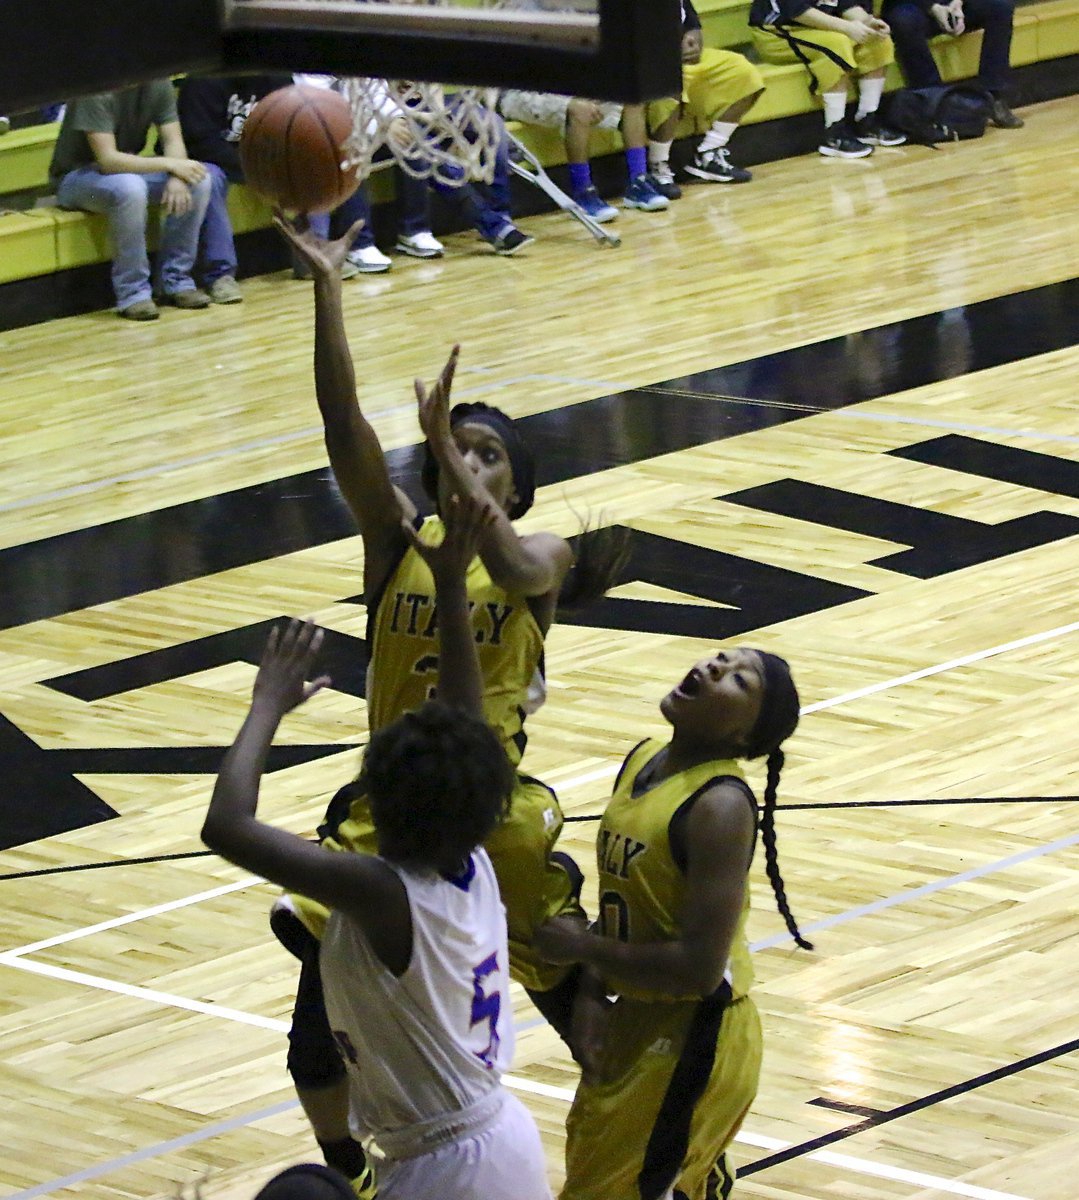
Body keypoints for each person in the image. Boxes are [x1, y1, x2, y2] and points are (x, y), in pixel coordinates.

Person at [266, 216, 625, 1191]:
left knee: (574, 999)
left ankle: (634, 1147)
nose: (468, 465)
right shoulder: (400, 551)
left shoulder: (532, 561)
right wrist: (327, 295)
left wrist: (440, 446)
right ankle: (348, 1165)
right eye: (455, 452)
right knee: (312, 1043)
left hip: (487, 813)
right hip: (387, 815)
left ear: (521, 483)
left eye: (487, 455)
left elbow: (506, 553)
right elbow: (344, 437)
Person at [202, 495, 552, 1200]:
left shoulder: (380, 891)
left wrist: (266, 704)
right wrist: (450, 587)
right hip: (498, 1141)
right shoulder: (472, 854)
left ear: (376, 803)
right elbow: (461, 715)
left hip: (448, 1169)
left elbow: (226, 826)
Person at [533, 646, 813, 1200]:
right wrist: (591, 990)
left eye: (739, 681)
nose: (715, 669)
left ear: (744, 736)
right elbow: (624, 903)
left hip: (698, 1029)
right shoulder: (643, 759)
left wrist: (585, 950)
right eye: (721, 659)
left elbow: (699, 970)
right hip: (642, 1014)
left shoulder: (720, 806)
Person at [49, 79, 237, 320]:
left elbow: (173, 141)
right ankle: (133, 294)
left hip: (124, 173)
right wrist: (171, 165)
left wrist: (178, 177)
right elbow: (108, 161)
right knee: (130, 189)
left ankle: (176, 281)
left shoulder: (159, 84)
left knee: (198, 179)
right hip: (75, 181)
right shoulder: (96, 90)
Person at [750, 0, 907, 157]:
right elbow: (797, 11)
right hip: (777, 31)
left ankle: (867, 121)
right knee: (836, 44)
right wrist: (847, 27)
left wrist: (867, 21)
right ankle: (834, 134)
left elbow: (846, 4)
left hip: (823, 26)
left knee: (878, 39)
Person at [647, 0, 766, 192]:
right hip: (645, 62)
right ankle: (657, 165)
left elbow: (693, 26)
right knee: (670, 79)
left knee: (741, 70)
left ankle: (709, 152)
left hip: (678, 57)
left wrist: (693, 42)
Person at [880, 0, 1024, 128]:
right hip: (912, 5)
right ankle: (933, 99)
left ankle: (994, 94)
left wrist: (957, 3)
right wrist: (933, 7)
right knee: (904, 21)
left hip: (951, 6)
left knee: (1000, 7)